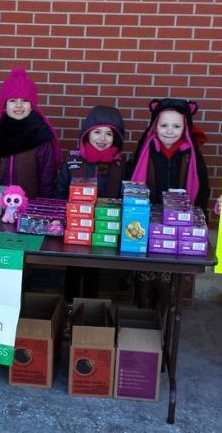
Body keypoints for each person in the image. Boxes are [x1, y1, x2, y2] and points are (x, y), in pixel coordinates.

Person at [55, 105, 127, 300]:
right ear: (87, 134)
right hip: (74, 229)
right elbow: (60, 193)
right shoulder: (72, 161)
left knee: (93, 274)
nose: (102, 139)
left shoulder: (120, 166)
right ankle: (68, 307)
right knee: (72, 271)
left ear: (116, 138)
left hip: (103, 232)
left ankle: (88, 312)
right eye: (97, 132)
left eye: (109, 134)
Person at [0, 68, 61, 198]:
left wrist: (43, 202)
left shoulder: (40, 131)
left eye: (24, 100)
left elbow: (47, 175)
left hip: (29, 201)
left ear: (32, 104)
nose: (19, 105)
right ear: (4, 105)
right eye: (13, 100)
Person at [127, 98, 211, 212]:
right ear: (155, 126)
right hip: (149, 217)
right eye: (164, 125)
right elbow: (129, 184)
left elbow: (203, 189)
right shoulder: (143, 153)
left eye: (176, 126)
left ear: (184, 129)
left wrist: (200, 214)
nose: (169, 131)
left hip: (180, 218)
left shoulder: (192, 156)